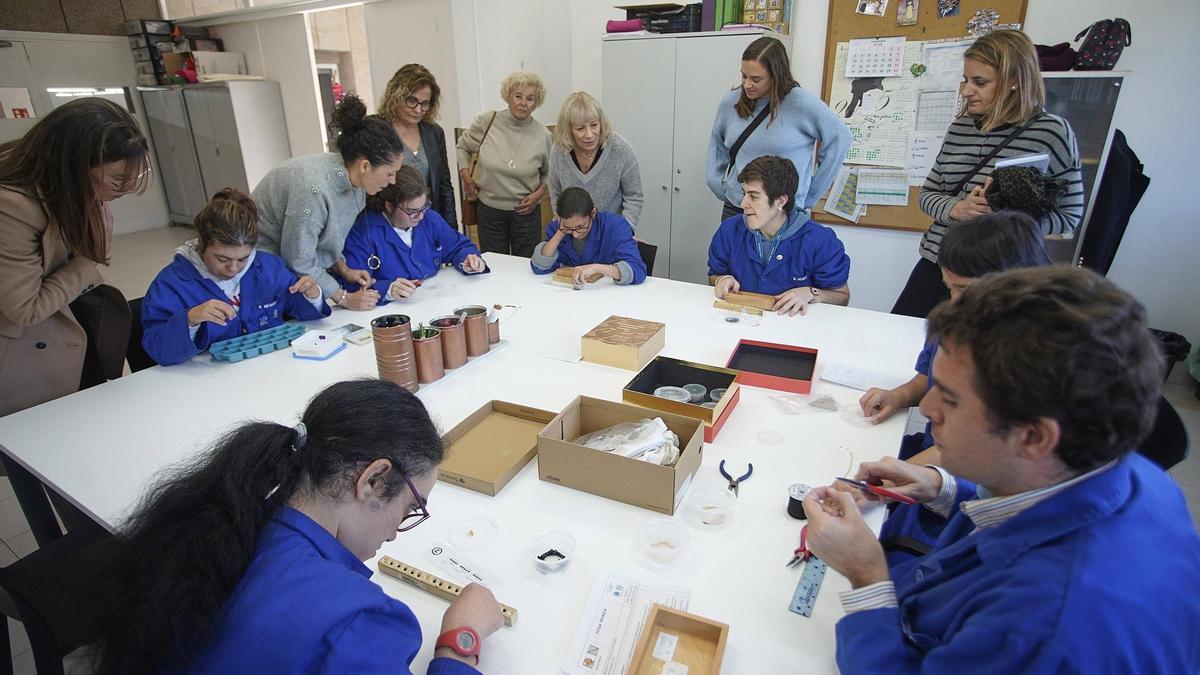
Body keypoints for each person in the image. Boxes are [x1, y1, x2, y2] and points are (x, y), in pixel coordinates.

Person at [803, 267, 1200, 673]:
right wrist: (944, 487)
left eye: (952, 400)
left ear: (1032, 437)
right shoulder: (1129, 470)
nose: (926, 408)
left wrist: (866, 576)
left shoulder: (1042, 628)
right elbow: (1032, 509)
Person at [94, 379, 505, 673]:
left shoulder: (226, 517)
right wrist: (459, 642)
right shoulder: (355, 622)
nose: (398, 530)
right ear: (373, 480)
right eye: (410, 508)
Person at [892, 29, 1084, 318]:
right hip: (939, 264)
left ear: (1014, 82)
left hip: (1003, 277)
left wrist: (1007, 224)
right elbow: (928, 196)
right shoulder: (960, 127)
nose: (967, 91)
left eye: (979, 82)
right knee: (903, 342)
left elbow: (1069, 216)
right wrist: (958, 209)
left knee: (981, 357)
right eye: (966, 80)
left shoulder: (1051, 132)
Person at [858, 211, 1051, 461]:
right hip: (930, 452)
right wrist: (900, 395)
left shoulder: (1030, 359)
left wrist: (895, 476)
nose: (955, 302)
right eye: (949, 288)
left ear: (1015, 284)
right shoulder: (954, 323)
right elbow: (929, 377)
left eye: (964, 289)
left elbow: (980, 450)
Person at [0, 97, 149, 416]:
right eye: (116, 181)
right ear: (74, 164)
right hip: (29, 350)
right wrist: (88, 260)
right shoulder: (11, 208)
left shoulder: (66, 187)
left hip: (71, 327)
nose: (121, 191)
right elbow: (25, 309)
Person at [140, 189, 330, 365]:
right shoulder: (171, 284)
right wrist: (189, 320)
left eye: (243, 259)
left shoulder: (267, 267)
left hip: (271, 367)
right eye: (222, 259)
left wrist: (312, 295)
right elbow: (157, 349)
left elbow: (298, 310)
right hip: (211, 380)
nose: (233, 268)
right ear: (201, 243)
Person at [253, 95, 404, 311]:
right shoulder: (313, 189)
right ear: (365, 166)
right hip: (263, 267)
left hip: (294, 264)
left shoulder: (358, 183)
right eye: (389, 173)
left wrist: (343, 268)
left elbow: (325, 239)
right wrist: (343, 298)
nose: (393, 181)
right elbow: (299, 260)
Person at [706, 36, 850, 224]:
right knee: (729, 254)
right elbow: (717, 144)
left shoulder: (801, 103)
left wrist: (810, 195)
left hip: (783, 212)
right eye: (744, 76)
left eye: (756, 79)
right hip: (739, 208)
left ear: (776, 75)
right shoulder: (730, 102)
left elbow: (840, 139)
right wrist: (717, 184)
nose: (747, 84)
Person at [707, 156, 850, 316]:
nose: (743, 204)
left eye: (753, 196)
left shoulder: (820, 240)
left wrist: (812, 293)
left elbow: (842, 296)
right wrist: (722, 280)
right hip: (740, 320)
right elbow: (714, 274)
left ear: (780, 201)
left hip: (794, 327)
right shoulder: (730, 230)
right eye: (744, 193)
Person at [343, 166, 487, 304]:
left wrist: (468, 260)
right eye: (412, 211)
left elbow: (458, 246)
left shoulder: (429, 219)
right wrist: (388, 289)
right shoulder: (364, 232)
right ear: (389, 206)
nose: (420, 216)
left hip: (433, 299)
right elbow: (352, 284)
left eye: (424, 207)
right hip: (392, 313)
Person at [456, 71, 551, 258]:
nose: (523, 103)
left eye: (530, 98)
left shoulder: (543, 135)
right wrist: (465, 176)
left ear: (536, 102)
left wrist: (538, 195)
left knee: (525, 269)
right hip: (489, 212)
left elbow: (550, 174)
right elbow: (462, 147)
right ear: (508, 96)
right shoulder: (488, 122)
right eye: (518, 96)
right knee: (494, 267)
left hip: (526, 214)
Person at [378, 64, 460, 231]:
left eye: (424, 104)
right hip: (390, 224)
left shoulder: (434, 132)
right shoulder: (378, 130)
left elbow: (444, 185)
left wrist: (450, 230)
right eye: (412, 101)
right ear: (396, 96)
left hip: (427, 221)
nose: (418, 110)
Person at [548, 92, 644, 230]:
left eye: (594, 125)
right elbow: (556, 193)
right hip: (571, 231)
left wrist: (624, 230)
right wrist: (565, 225)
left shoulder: (621, 149)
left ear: (601, 123)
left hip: (611, 232)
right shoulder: (559, 151)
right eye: (580, 128)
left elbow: (634, 197)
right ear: (568, 130)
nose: (589, 134)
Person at [530, 187, 646, 286]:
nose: (575, 233)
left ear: (593, 213)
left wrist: (597, 268)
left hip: (609, 293)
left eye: (580, 227)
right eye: (569, 228)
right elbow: (539, 267)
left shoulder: (615, 226)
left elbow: (638, 269)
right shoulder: (557, 228)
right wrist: (561, 231)